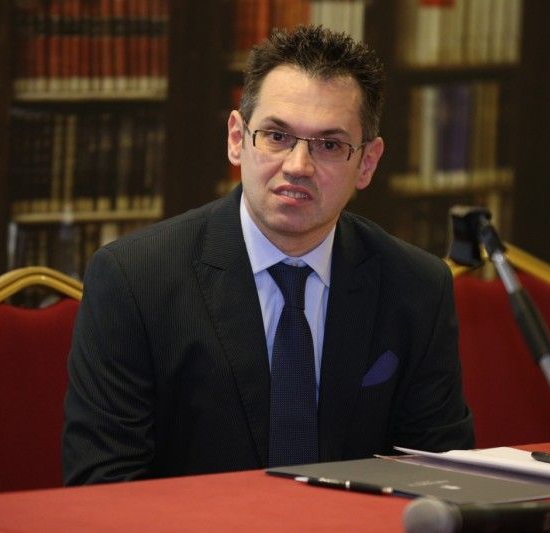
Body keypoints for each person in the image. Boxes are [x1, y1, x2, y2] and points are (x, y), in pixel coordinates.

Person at [62, 25, 474, 485]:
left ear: (367, 163)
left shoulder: (417, 287)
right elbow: (103, 485)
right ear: (237, 139)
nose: (298, 166)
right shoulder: (134, 280)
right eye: (277, 136)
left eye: (330, 145)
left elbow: (443, 478)